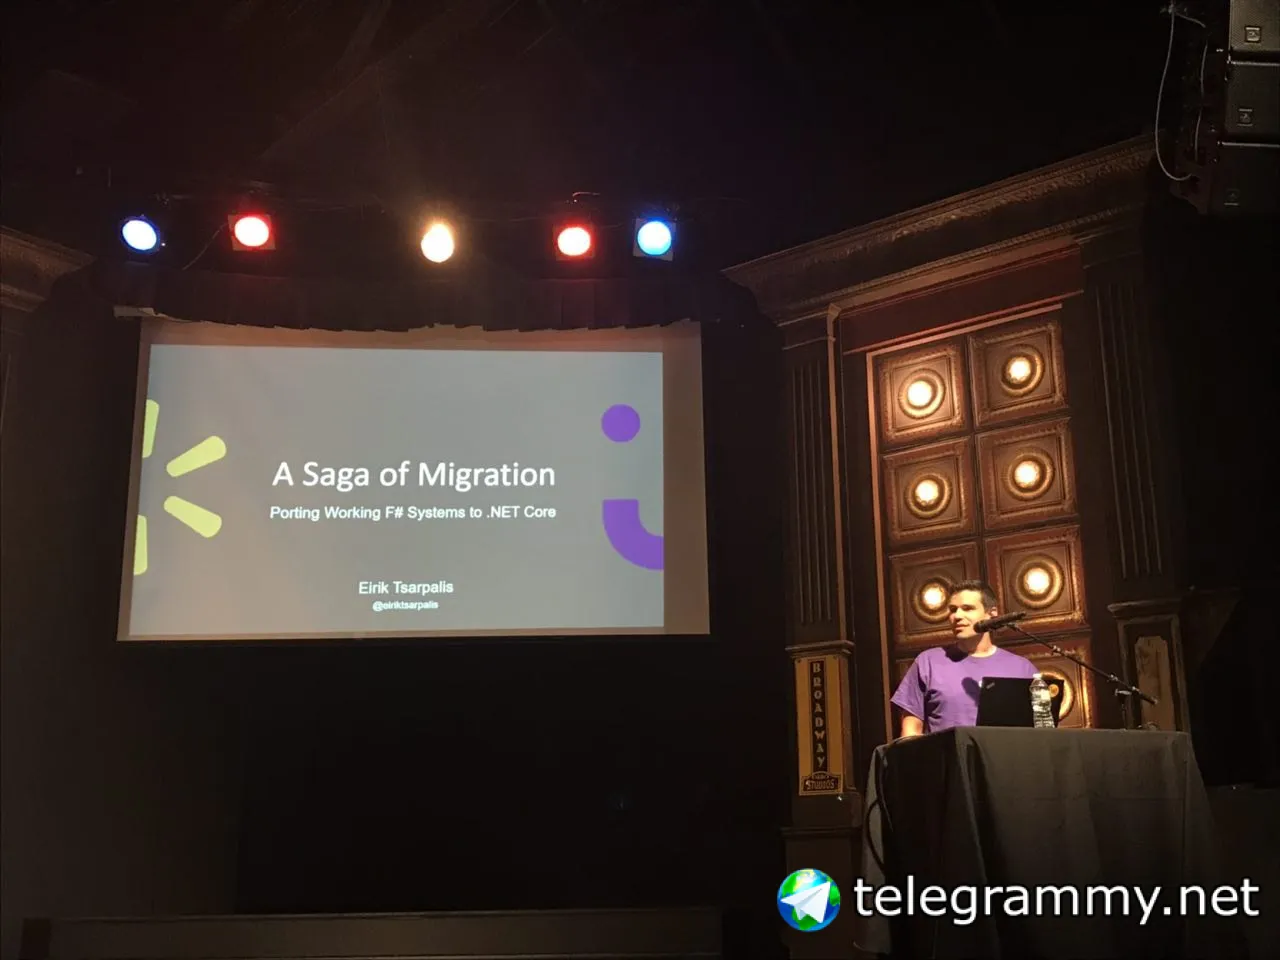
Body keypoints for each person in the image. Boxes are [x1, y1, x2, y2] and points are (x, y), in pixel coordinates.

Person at [890, 579, 1038, 738]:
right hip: (946, 755)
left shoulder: (1022, 668)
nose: (957, 616)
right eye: (953, 610)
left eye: (967, 608)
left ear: (992, 613)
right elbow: (910, 733)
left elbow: (1038, 731)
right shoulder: (928, 662)